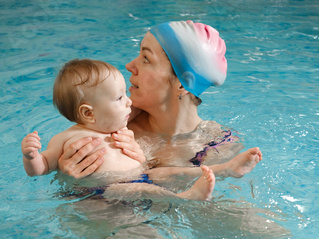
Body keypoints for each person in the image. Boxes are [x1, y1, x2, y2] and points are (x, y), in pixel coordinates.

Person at [56, 21, 262, 182]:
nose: (129, 65)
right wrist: (69, 173)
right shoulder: (110, 122)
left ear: (182, 84)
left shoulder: (217, 145)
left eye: (146, 59)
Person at [21, 58, 216, 201]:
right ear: (89, 114)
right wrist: (31, 157)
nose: (129, 100)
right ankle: (184, 197)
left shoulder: (122, 130)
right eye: (119, 98)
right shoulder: (67, 138)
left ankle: (216, 174)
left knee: (164, 173)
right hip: (106, 190)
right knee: (136, 190)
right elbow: (42, 167)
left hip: (139, 179)